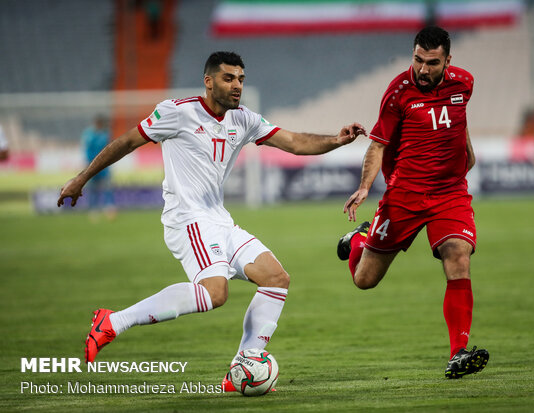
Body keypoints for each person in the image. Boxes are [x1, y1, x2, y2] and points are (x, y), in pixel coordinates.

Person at [58, 51, 366, 391]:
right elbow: (127, 141)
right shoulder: (178, 112)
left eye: (241, 80)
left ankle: (243, 367)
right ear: (209, 82)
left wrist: (337, 140)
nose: (237, 86)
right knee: (215, 293)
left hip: (219, 220)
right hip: (187, 219)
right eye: (228, 78)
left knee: (276, 278)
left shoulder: (243, 119)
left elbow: (293, 141)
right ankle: (113, 321)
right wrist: (82, 178)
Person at [336, 26, 489, 379]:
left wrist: (467, 153)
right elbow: (378, 144)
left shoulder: (463, 82)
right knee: (365, 280)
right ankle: (358, 238)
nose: (422, 69)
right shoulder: (398, 92)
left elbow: (458, 118)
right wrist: (364, 188)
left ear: (447, 61)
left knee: (458, 255)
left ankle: (458, 352)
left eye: (431, 63)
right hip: (405, 195)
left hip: (449, 192)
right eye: (418, 60)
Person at [81, 115, 116, 218]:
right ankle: (93, 209)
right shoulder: (89, 134)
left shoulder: (106, 134)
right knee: (93, 188)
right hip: (92, 165)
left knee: (107, 187)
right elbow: (87, 150)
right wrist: (87, 164)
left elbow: (110, 148)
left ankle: (109, 208)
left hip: (104, 166)